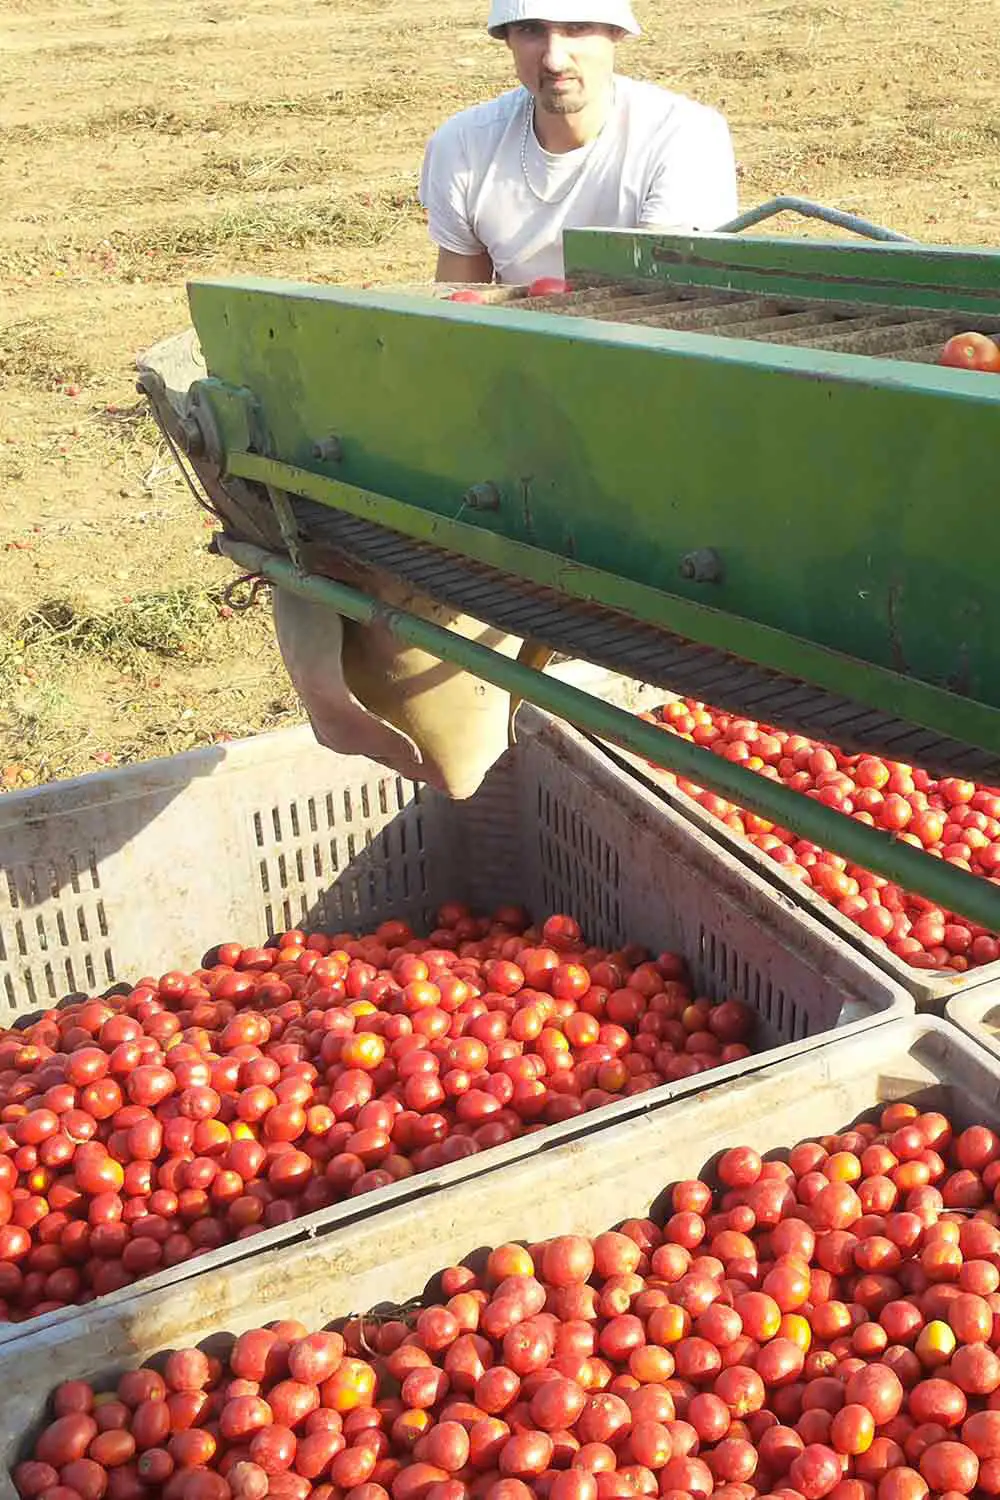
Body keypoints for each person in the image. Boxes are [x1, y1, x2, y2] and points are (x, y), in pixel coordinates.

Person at [418, 0, 740, 287]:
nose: (555, 60)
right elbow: (460, 310)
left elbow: (669, 304)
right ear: (507, 38)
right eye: (531, 30)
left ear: (616, 33)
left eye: (577, 28)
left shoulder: (683, 137)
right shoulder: (464, 146)